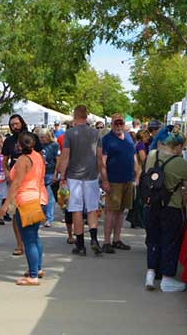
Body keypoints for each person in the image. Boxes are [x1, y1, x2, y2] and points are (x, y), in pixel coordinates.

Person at [143, 133, 187, 292]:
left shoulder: (152, 155)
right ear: (178, 146)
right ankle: (167, 278)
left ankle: (150, 274)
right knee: (170, 242)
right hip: (171, 206)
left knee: (153, 239)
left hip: (152, 205)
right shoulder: (180, 163)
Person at [0, 132, 48, 286]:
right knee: (34, 237)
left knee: (28, 240)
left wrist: (5, 205)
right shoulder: (38, 156)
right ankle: (37, 268)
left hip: (27, 201)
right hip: (40, 198)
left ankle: (33, 275)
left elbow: (16, 183)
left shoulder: (23, 160)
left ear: (19, 145)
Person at [58, 105, 103, 256]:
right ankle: (95, 239)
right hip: (91, 176)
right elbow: (99, 157)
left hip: (74, 176)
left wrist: (62, 176)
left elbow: (65, 157)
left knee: (76, 209)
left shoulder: (70, 133)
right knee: (92, 208)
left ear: (75, 116)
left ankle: (80, 244)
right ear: (87, 116)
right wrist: (101, 174)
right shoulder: (95, 133)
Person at [2, 114, 42, 256]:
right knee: (15, 214)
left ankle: (30, 245)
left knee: (30, 217)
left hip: (30, 183)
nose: (15, 127)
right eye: (12, 124)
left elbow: (39, 156)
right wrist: (7, 172)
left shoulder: (31, 138)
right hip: (14, 179)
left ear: (22, 123)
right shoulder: (8, 141)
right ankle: (20, 244)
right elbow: (4, 159)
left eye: (17, 124)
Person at [99, 114, 139, 253]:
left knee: (121, 211)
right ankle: (106, 242)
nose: (118, 126)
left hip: (128, 179)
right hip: (113, 181)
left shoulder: (128, 137)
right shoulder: (106, 140)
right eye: (116, 123)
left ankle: (117, 239)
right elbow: (102, 162)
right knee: (111, 211)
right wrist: (104, 180)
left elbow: (134, 156)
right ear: (111, 124)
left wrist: (136, 173)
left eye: (120, 123)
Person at [37, 128, 59, 227]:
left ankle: (49, 218)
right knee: (42, 197)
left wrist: (55, 174)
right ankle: (44, 216)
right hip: (41, 174)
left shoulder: (54, 145)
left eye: (43, 137)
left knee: (50, 197)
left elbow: (58, 161)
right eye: (40, 137)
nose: (41, 139)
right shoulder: (39, 146)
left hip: (51, 172)